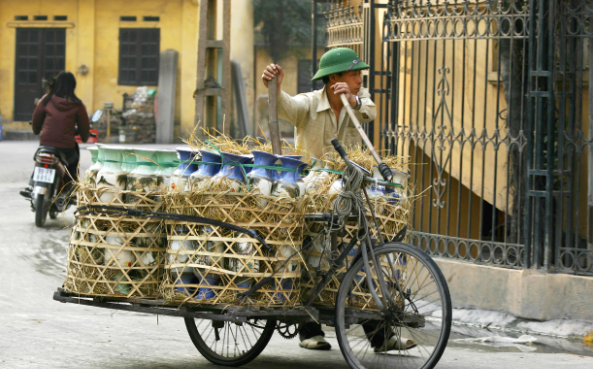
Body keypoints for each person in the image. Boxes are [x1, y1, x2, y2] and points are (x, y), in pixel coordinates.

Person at [262, 47, 415, 352]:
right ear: (333, 77)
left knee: (363, 257)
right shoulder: (309, 104)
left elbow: (369, 110)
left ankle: (380, 335)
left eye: (361, 75)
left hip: (348, 191)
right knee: (312, 260)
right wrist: (275, 88)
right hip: (314, 193)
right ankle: (308, 329)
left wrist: (354, 98)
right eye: (353, 74)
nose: (359, 80)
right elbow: (286, 107)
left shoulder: (356, 101)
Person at [28, 71, 90, 195]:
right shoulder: (78, 105)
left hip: (46, 143)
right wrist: (84, 136)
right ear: (73, 86)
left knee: (40, 158)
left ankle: (32, 183)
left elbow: (36, 119)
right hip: (66, 146)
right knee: (73, 162)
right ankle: (69, 187)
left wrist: (36, 130)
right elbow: (84, 127)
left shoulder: (46, 100)